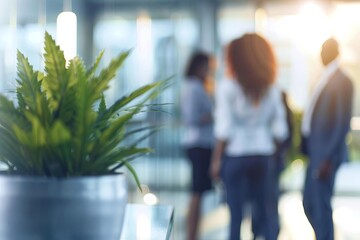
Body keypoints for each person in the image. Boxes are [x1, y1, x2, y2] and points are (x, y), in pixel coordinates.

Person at [210, 33, 288, 240]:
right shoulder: (272, 88)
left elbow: (223, 129)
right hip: (264, 155)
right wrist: (276, 155)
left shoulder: (227, 86)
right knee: (268, 211)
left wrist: (216, 161)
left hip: (236, 155)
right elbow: (280, 130)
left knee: (236, 215)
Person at [301, 38, 354, 240]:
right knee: (309, 203)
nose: (321, 54)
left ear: (334, 52)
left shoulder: (343, 81)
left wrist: (328, 158)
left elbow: (342, 123)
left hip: (325, 156)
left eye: (324, 49)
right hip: (314, 152)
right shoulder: (324, 77)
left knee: (320, 205)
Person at [181, 51, 215, 240]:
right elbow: (192, 118)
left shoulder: (200, 86)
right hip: (198, 144)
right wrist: (214, 115)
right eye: (207, 67)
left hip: (202, 144)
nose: (209, 71)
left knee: (199, 193)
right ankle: (191, 235)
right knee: (196, 192)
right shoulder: (193, 87)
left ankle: (194, 235)